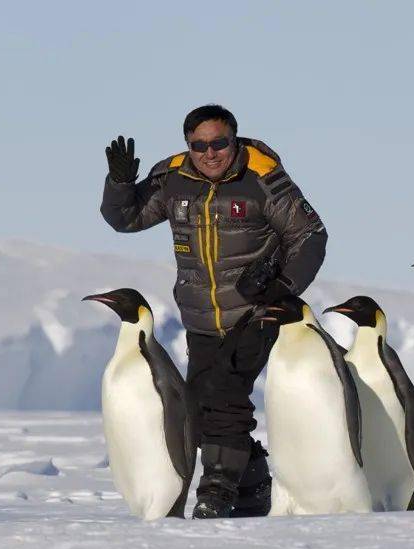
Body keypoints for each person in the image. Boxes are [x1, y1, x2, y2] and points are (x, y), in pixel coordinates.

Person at [100, 104, 327, 518]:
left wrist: (283, 288)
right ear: (187, 145)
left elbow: (309, 235)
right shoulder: (172, 178)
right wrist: (119, 183)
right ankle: (254, 485)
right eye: (199, 145)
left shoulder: (261, 177)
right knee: (201, 408)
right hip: (202, 317)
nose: (210, 153)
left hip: (256, 311)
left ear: (234, 140)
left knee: (225, 394)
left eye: (219, 143)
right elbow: (127, 217)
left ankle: (217, 492)